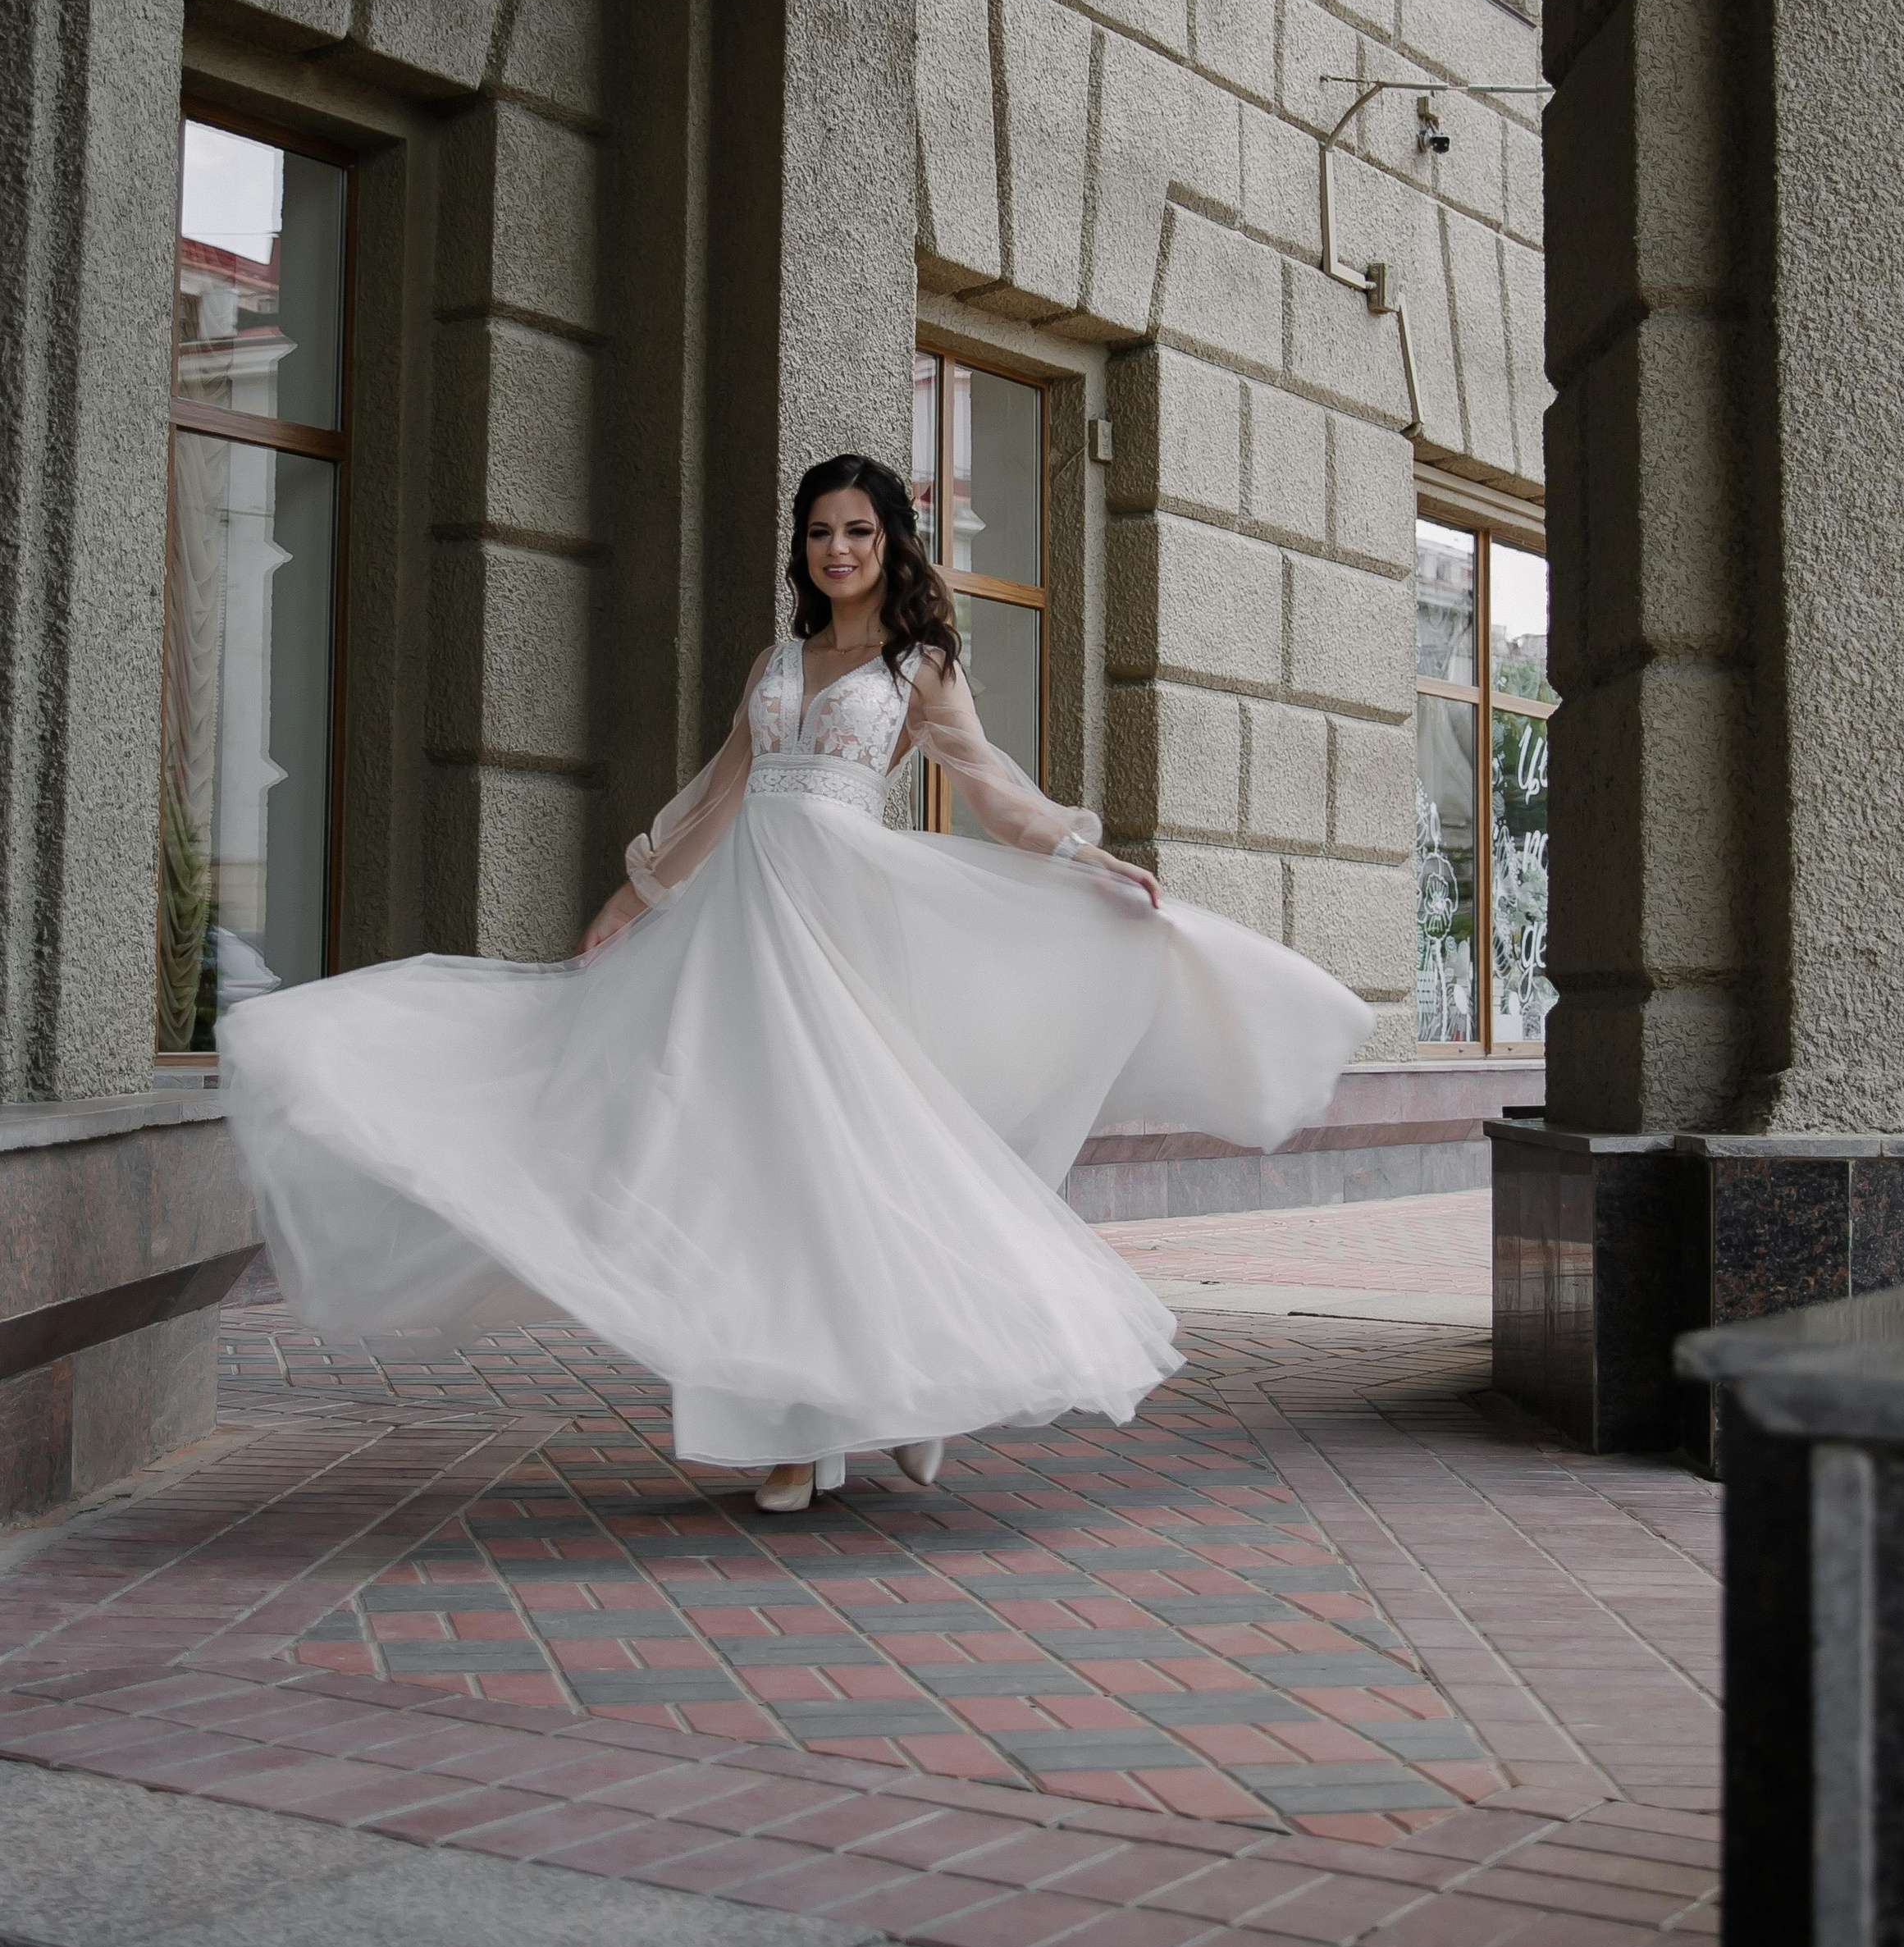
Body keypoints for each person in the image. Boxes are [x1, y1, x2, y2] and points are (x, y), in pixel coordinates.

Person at [221, 456, 1371, 1515]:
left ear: (892, 543)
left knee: (858, 1171)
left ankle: (898, 1401)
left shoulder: (920, 670)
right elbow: (721, 791)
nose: (837, 550)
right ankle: (806, 1427)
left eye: (858, 531)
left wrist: (1082, 852)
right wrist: (634, 896)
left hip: (848, 932)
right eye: (820, 532)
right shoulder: (774, 665)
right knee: (759, 1172)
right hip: (742, 927)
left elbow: (995, 794)